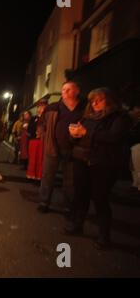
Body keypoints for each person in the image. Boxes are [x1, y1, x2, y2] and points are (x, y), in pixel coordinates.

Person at [65, 88, 131, 250]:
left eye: (99, 100)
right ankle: (77, 224)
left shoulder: (118, 117)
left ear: (108, 100)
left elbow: (113, 137)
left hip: (102, 164)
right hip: (81, 161)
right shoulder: (87, 117)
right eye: (92, 100)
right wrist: (73, 135)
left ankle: (104, 235)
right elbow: (76, 138)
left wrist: (87, 133)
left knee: (100, 198)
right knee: (81, 195)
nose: (94, 103)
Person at [37, 81, 85, 214]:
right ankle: (43, 202)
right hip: (53, 147)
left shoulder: (84, 109)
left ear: (77, 91)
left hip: (73, 150)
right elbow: (41, 123)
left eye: (69, 89)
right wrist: (43, 135)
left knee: (70, 181)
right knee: (47, 177)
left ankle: (68, 206)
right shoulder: (53, 107)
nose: (65, 92)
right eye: (63, 89)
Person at [26, 99, 48, 181]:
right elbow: (29, 130)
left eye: (43, 106)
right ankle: (31, 175)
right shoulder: (33, 118)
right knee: (32, 158)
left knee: (41, 159)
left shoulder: (47, 117)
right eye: (39, 107)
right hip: (34, 140)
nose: (41, 109)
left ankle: (39, 176)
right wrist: (35, 132)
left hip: (43, 141)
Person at [128, 104, 140, 192]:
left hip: (137, 146)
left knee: (137, 166)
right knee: (133, 166)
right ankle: (135, 184)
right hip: (133, 146)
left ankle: (137, 185)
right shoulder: (133, 121)